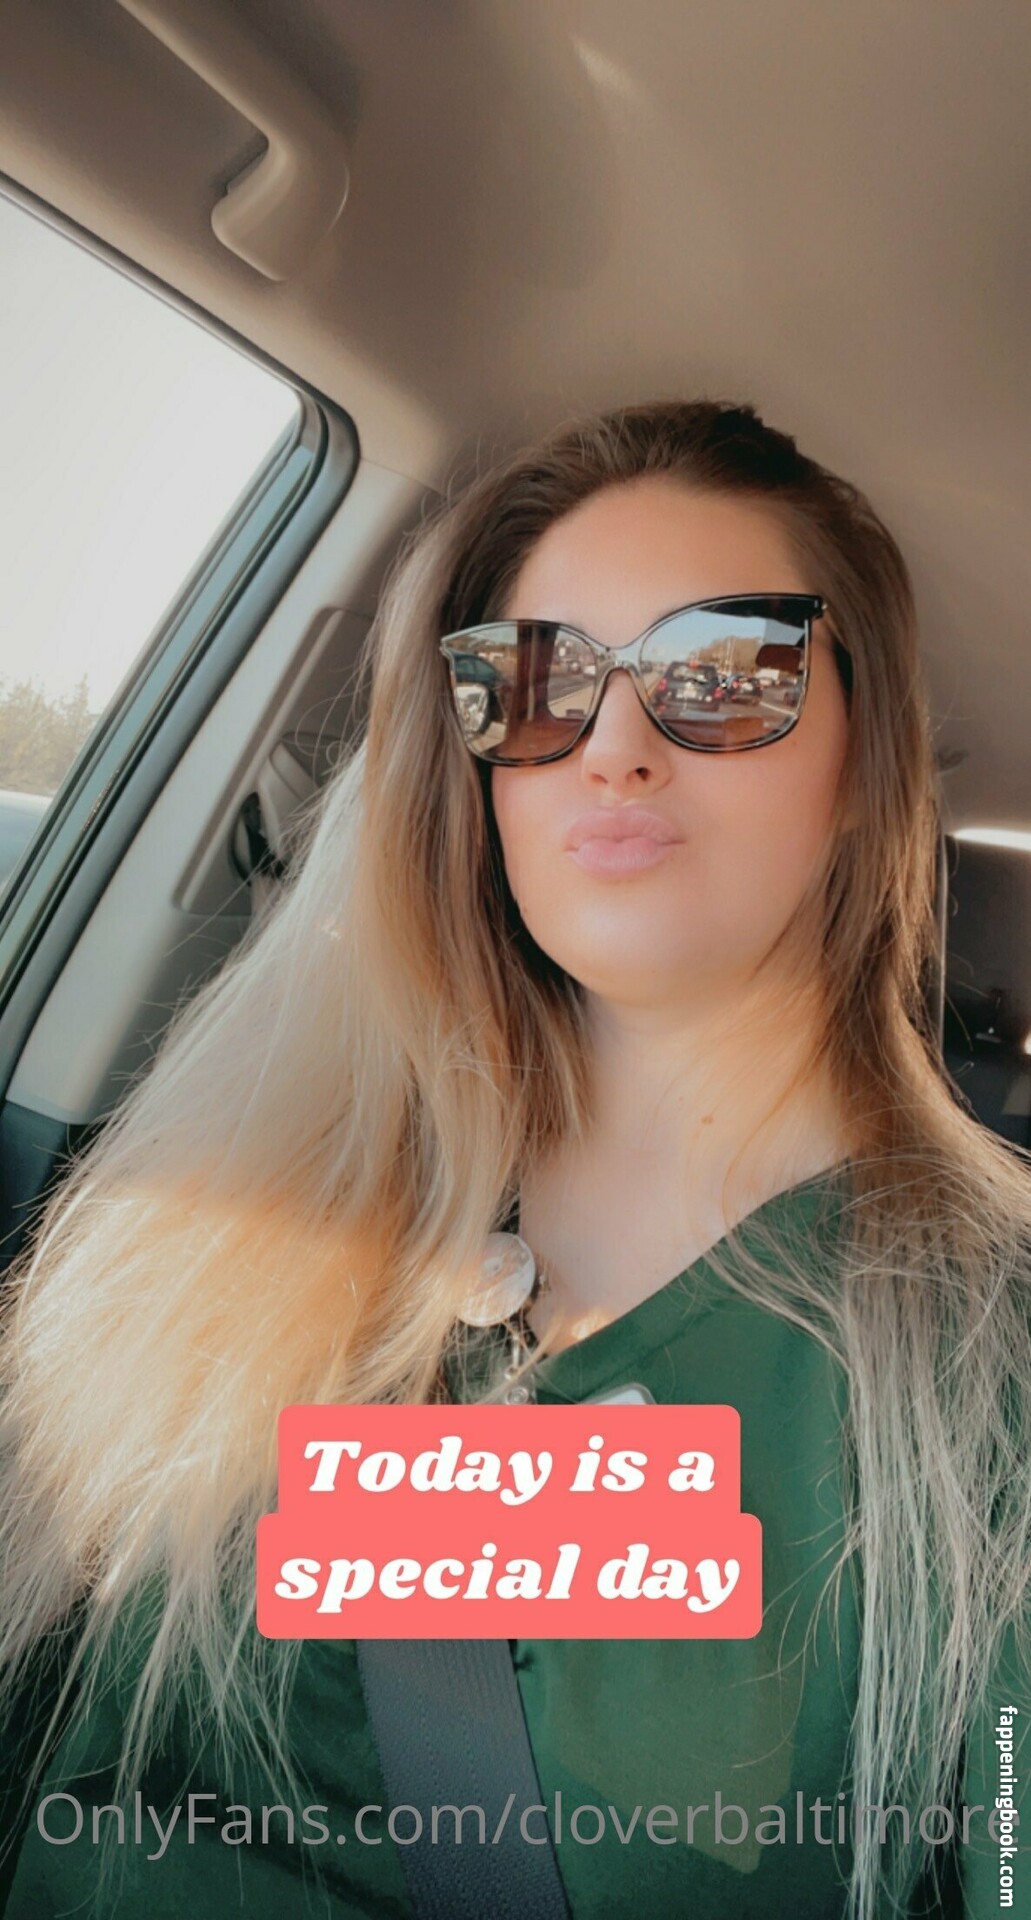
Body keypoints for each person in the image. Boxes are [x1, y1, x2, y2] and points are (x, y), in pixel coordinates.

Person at [0, 399, 1028, 1920]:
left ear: (864, 753)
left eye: (723, 672)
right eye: (537, 681)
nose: (612, 748)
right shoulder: (294, 1206)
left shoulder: (987, 1352)